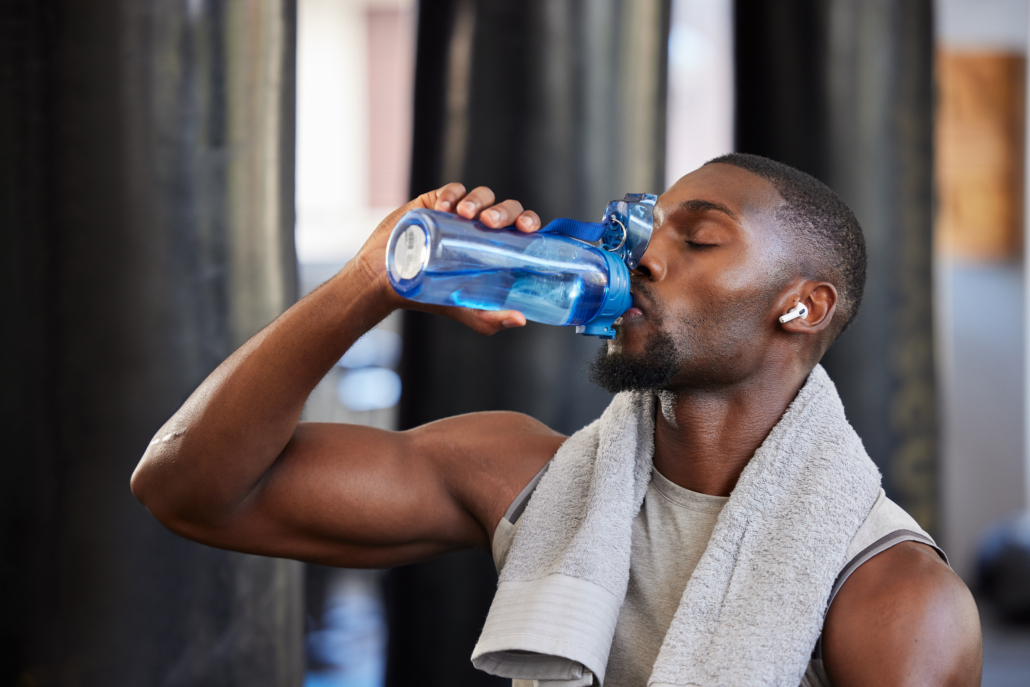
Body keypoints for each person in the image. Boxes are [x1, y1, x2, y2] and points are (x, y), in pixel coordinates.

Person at [131, 154, 982, 686]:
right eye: (653, 229)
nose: (645, 254)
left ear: (801, 307)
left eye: (699, 239)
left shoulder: (893, 596)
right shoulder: (530, 477)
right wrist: (370, 280)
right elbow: (190, 489)